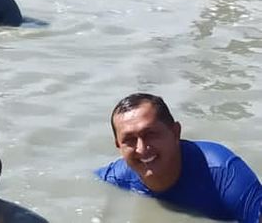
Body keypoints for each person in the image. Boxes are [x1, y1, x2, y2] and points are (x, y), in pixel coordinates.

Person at [96, 93, 262, 223]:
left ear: (176, 132)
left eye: (150, 134)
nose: (141, 149)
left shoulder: (226, 177)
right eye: (129, 140)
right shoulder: (116, 177)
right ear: (118, 145)